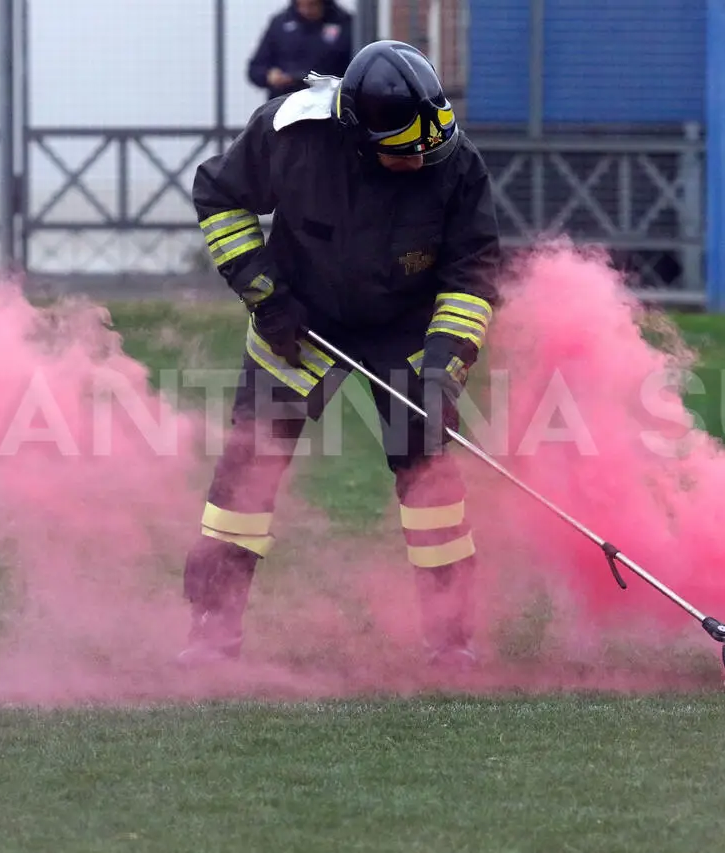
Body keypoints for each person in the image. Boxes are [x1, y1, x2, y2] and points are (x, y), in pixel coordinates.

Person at [180, 39, 502, 670]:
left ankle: (452, 640)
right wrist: (264, 296)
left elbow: (473, 273)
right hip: (299, 321)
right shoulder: (291, 134)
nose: (419, 163)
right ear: (357, 133)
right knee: (249, 469)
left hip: (411, 331)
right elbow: (218, 198)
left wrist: (445, 364)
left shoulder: (453, 159)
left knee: (430, 477)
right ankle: (212, 632)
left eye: (428, 150)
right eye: (400, 155)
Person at [247, 0, 354, 101]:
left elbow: (356, 71)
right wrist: (269, 76)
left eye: (312, 5)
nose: (306, 11)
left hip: (328, 104)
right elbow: (256, 68)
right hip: (284, 103)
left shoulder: (347, 24)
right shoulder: (280, 23)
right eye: (301, 5)